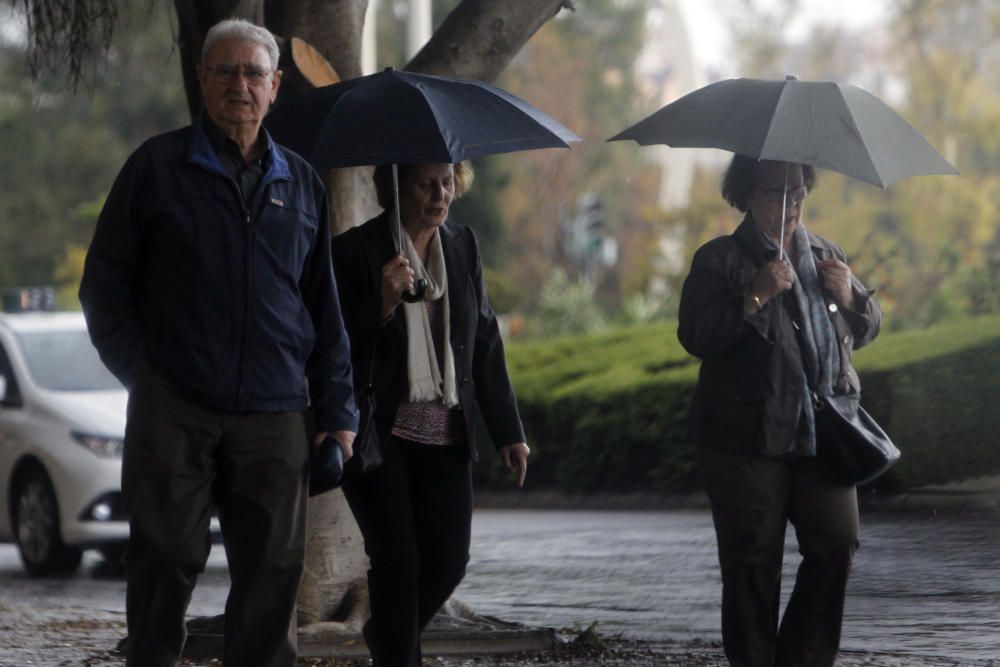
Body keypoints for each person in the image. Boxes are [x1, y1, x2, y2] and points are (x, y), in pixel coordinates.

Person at [78, 18, 358, 667]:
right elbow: (104, 287)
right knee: (164, 557)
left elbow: (325, 308)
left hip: (277, 410)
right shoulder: (156, 168)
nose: (240, 84)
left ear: (276, 86)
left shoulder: (303, 184)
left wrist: (339, 411)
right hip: (175, 406)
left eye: (253, 72)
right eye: (226, 71)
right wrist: (145, 377)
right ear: (202, 80)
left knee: (272, 573)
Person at [677, 155, 883, 667]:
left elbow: (865, 327)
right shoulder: (719, 258)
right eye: (775, 192)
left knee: (838, 543)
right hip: (746, 437)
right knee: (752, 566)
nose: (790, 203)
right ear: (747, 194)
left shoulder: (824, 252)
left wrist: (852, 296)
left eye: (798, 190)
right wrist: (754, 294)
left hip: (824, 431)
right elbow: (696, 336)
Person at [331, 161, 530, 667]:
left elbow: (483, 338)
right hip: (382, 436)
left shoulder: (461, 245)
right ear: (396, 187)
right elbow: (333, 348)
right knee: (397, 563)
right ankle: (399, 656)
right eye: (427, 184)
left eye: (447, 182)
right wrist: (382, 302)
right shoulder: (356, 251)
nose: (441, 194)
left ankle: (387, 638)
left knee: (447, 562)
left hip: (445, 433)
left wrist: (509, 431)